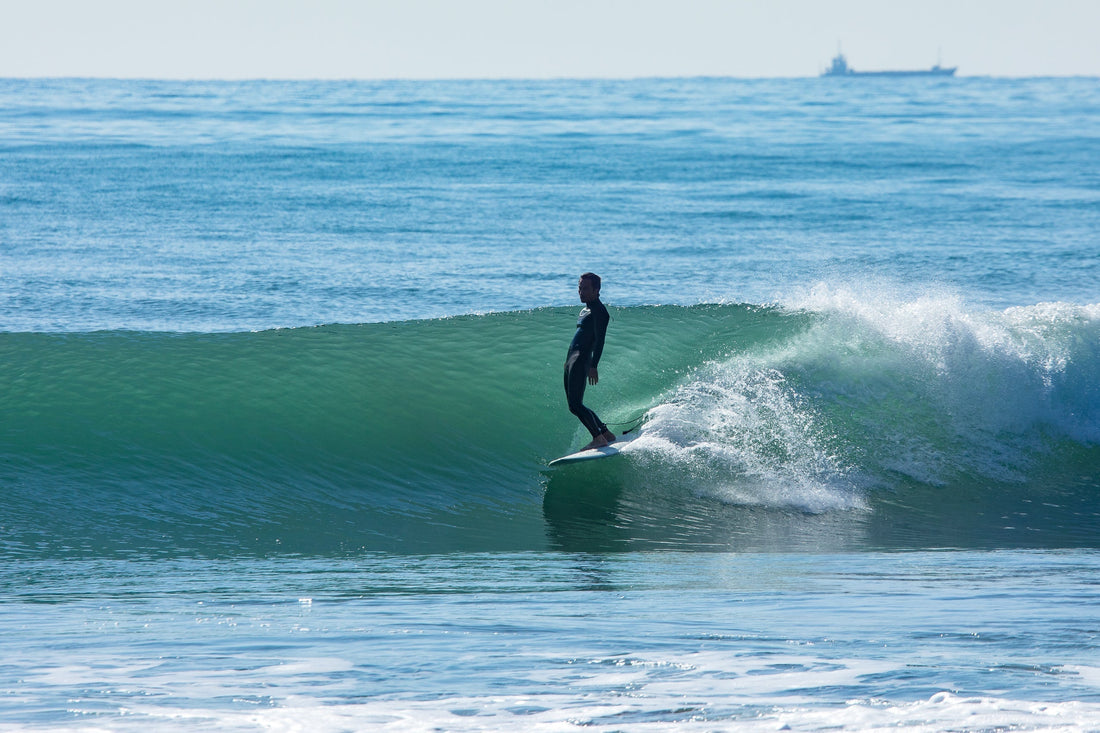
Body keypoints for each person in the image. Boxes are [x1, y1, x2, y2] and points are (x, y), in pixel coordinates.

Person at [564, 273, 616, 449]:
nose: (581, 292)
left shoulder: (600, 312)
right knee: (574, 405)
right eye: (580, 288)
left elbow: (600, 340)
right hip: (572, 360)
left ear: (596, 290)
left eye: (585, 288)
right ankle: (605, 433)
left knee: (576, 404)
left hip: (581, 359)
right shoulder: (586, 310)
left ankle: (598, 438)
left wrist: (594, 365)